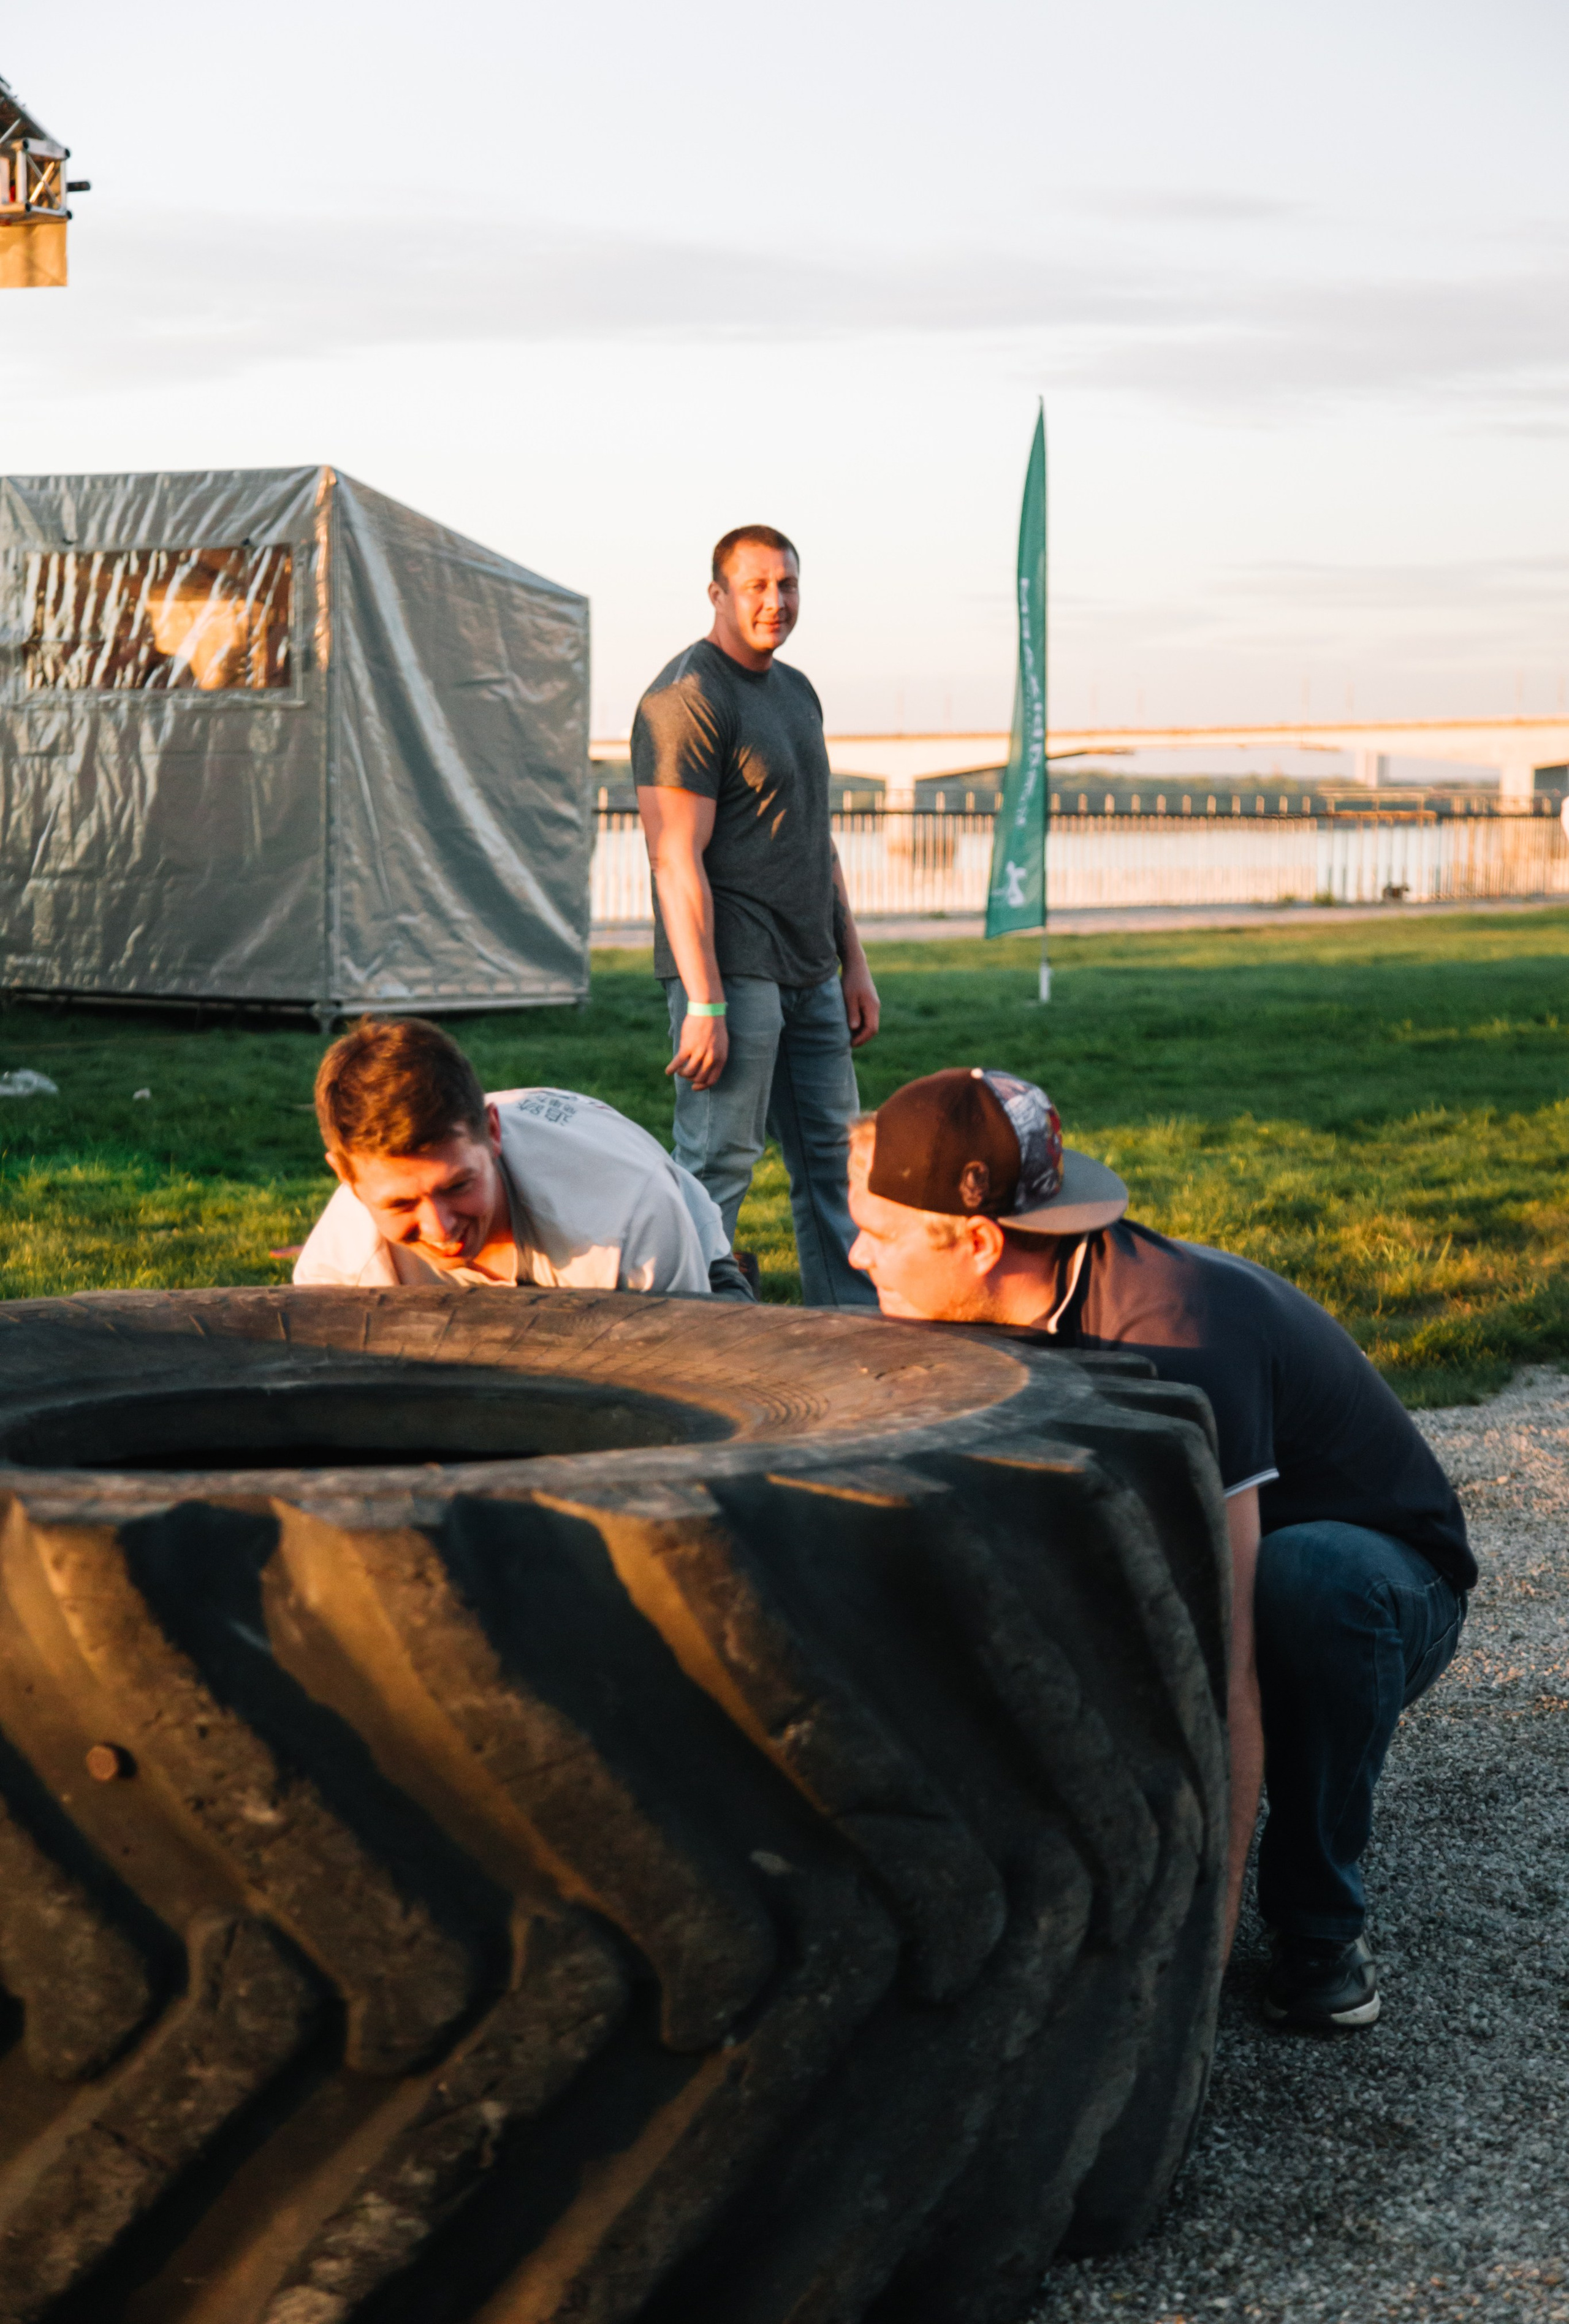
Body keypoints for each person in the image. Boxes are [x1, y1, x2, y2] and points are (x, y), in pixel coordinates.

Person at [845, 1065, 1473, 2033]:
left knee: (1310, 1589)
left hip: (1380, 1583)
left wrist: (1198, 1973)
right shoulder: (978, 1304)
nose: (855, 1255)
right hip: (1223, 1568)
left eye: (881, 1234)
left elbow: (1234, 1662)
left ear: (975, 1241)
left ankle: (1316, 1923)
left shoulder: (1177, 1335)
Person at [631, 524, 879, 1308]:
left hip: (810, 968)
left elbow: (816, 839)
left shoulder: (798, 692)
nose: (775, 602)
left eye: (788, 586)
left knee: (835, 1166)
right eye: (756, 587)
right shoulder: (686, 699)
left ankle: (850, 1335)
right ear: (718, 595)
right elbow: (675, 858)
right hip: (732, 967)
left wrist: (855, 963)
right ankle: (693, 1334)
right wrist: (703, 1001)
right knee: (717, 1166)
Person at [294, 1017, 751, 1297]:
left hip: (680, 1280)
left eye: (457, 1186)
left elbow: (688, 1369)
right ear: (347, 1178)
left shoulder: (630, 1213)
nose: (440, 1228)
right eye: (400, 1204)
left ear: (493, 1132)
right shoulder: (339, 1271)